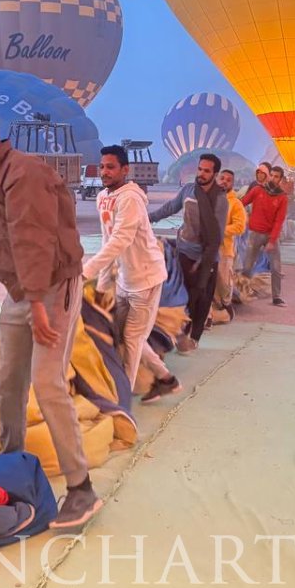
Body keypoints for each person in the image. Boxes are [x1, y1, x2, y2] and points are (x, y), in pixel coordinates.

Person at [0, 101, 100, 529]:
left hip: (51, 286)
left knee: (47, 382)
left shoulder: (23, 172)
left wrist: (37, 305)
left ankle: (81, 488)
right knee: (9, 380)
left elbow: (33, 239)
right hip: (24, 290)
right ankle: (12, 463)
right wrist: (24, 297)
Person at [82, 145, 179, 404]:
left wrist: (86, 271)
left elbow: (121, 240)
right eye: (102, 167)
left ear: (125, 170)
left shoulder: (131, 199)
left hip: (146, 280)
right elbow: (107, 240)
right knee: (122, 335)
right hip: (126, 280)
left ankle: (120, 403)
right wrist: (101, 287)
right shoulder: (103, 196)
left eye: (111, 167)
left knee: (132, 340)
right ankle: (166, 379)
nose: (104, 172)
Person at [148, 153, 228, 353]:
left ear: (215, 174)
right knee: (178, 295)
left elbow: (216, 235)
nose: (201, 174)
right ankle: (173, 332)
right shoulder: (188, 190)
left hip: (206, 258)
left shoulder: (220, 199)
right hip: (184, 251)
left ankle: (193, 337)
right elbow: (169, 208)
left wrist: (203, 261)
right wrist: (146, 218)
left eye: (206, 171)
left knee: (200, 299)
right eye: (200, 169)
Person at [241, 164, 288, 306]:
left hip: (270, 235)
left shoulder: (282, 198)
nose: (273, 178)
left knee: (276, 267)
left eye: (276, 176)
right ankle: (242, 293)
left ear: (281, 179)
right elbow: (242, 202)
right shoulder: (257, 190)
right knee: (247, 266)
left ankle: (276, 297)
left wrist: (272, 240)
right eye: (272, 175)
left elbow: (279, 221)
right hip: (254, 234)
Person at [213, 168, 247, 318]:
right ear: (217, 179)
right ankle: (215, 308)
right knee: (210, 280)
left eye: (228, 180)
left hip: (225, 249)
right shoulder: (209, 199)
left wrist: (220, 230)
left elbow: (240, 227)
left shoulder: (236, 204)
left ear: (233, 184)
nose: (224, 181)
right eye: (222, 178)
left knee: (224, 280)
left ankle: (227, 305)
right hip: (208, 247)